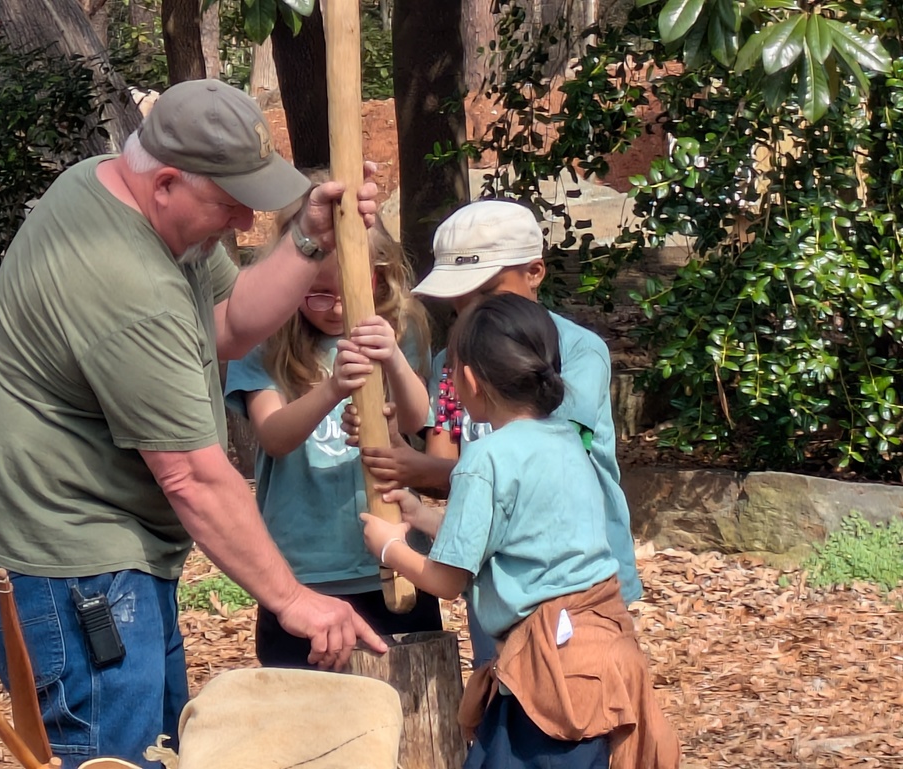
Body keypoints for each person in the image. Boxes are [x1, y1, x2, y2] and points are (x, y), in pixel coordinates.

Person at [0, 78, 388, 769]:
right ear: (166, 184)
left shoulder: (117, 188)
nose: (244, 221)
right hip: (66, 560)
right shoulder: (127, 283)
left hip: (109, 544)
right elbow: (193, 476)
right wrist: (293, 599)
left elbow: (229, 322)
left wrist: (308, 239)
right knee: (117, 758)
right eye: (230, 201)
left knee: (160, 750)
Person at [360, 293, 680, 769]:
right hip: (600, 657)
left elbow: (447, 580)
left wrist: (390, 548)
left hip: (548, 674)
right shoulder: (566, 440)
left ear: (469, 379)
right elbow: (513, 534)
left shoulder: (485, 458)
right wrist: (421, 516)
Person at [345, 199, 642, 664]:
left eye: (485, 292)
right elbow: (450, 462)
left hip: (576, 583)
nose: (470, 311)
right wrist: (402, 461)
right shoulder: (453, 362)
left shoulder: (578, 353)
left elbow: (529, 473)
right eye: (458, 299)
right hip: (499, 578)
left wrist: (410, 489)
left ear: (535, 272)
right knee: (509, 680)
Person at [224, 217, 443, 668]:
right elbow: (273, 436)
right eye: (319, 293)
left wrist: (394, 360)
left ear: (379, 276)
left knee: (404, 696)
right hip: (305, 571)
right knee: (307, 700)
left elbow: (416, 421)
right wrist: (332, 389)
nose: (337, 307)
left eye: (350, 288)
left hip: (395, 558)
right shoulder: (265, 342)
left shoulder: (400, 331)